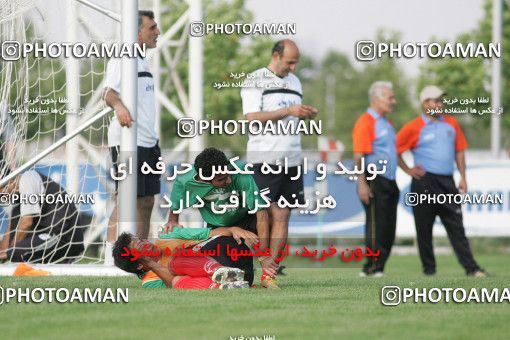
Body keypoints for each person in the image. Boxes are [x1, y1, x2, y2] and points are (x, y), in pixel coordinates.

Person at [240, 39, 318, 287]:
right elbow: (252, 118)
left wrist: (304, 113)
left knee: (283, 213)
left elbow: (292, 115)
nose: (293, 68)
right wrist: (289, 111)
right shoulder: (256, 80)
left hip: (291, 158)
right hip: (264, 157)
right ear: (275, 56)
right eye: (290, 62)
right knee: (263, 215)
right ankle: (258, 265)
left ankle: (270, 273)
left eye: (296, 62)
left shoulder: (295, 82)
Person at [396, 85, 485, 277]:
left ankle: (472, 269)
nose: (439, 104)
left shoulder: (451, 124)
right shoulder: (413, 127)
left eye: (440, 100)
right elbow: (395, 150)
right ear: (425, 104)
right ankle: (429, 271)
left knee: (456, 226)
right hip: (424, 183)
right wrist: (408, 169)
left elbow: (459, 150)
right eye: (435, 101)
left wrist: (463, 176)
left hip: (447, 182)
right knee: (424, 228)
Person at [163, 147, 279, 288]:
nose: (229, 180)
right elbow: (176, 205)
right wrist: (173, 221)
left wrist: (263, 255)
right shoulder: (185, 181)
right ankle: (194, 278)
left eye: (228, 174)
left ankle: (268, 276)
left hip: (247, 217)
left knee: (274, 216)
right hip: (220, 228)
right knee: (244, 279)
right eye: (221, 179)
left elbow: (261, 213)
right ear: (204, 179)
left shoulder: (240, 171)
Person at [103, 10, 161, 262]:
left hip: (149, 141)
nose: (157, 32)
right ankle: (112, 258)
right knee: (126, 198)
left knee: (147, 200)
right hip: (127, 140)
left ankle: (140, 256)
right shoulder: (123, 56)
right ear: (137, 32)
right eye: (152, 28)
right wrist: (120, 107)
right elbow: (108, 93)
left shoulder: (143, 60)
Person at [352, 81, 399, 277]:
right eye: (390, 98)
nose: (393, 102)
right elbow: (358, 155)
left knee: (388, 225)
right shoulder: (366, 121)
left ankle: (380, 266)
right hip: (373, 178)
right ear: (376, 99)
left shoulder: (387, 123)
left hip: (389, 179)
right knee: (375, 225)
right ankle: (371, 267)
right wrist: (362, 183)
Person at [0, 170, 85, 263]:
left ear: (9, 182)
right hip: (45, 236)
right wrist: (3, 253)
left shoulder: (28, 178)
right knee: (16, 240)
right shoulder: (18, 199)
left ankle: (64, 260)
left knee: (17, 251)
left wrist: (11, 253)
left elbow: (27, 223)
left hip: (64, 237)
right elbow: (11, 229)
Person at [112, 232, 249, 289]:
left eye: (143, 239)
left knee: (176, 262)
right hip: (243, 276)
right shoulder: (150, 281)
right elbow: (174, 283)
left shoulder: (167, 238)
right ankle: (226, 286)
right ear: (139, 265)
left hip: (227, 250)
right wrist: (149, 262)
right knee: (177, 281)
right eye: (142, 246)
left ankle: (219, 271)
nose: (148, 242)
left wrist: (232, 229)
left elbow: (211, 232)